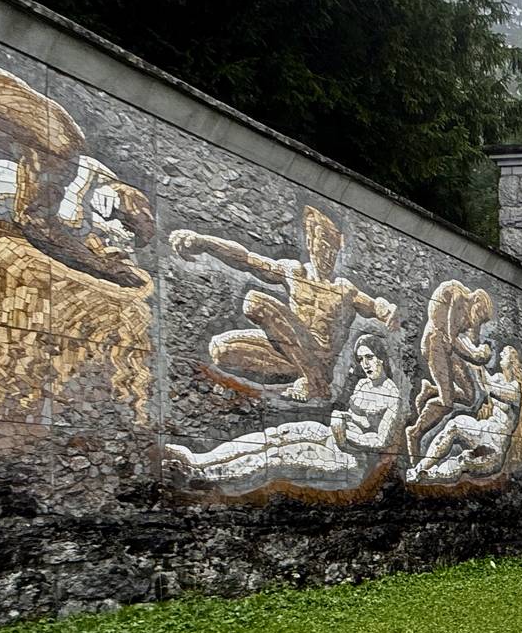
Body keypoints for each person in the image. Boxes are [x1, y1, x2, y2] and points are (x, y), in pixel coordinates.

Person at [168, 206, 398, 403]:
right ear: (310, 243)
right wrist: (204, 242)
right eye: (323, 246)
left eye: (332, 250)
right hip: (288, 354)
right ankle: (312, 379)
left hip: (320, 357)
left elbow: (375, 306)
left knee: (255, 302)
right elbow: (247, 260)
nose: (327, 255)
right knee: (220, 349)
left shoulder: (343, 289)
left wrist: (387, 311)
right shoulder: (294, 272)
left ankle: (315, 380)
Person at [166, 335, 402, 491]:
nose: (365, 364)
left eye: (369, 358)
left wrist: (347, 438)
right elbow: (352, 414)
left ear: (381, 358)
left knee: (278, 457)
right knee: (275, 435)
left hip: (352, 458)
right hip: (332, 434)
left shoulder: (393, 395)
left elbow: (381, 440)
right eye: (361, 359)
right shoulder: (362, 385)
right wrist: (342, 420)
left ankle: (206, 476)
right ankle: (201, 460)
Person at [409, 347, 522, 484]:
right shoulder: (499, 378)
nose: (500, 354)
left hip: (494, 445)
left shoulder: (515, 388)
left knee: (464, 460)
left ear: (512, 361)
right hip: (484, 429)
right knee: (454, 425)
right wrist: (473, 358)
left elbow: (493, 389)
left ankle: (428, 476)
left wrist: (478, 362)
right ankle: (421, 467)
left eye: (504, 354)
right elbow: (484, 383)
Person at [407, 280, 495, 458]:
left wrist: (479, 352)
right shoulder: (457, 296)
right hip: (435, 344)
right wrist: (475, 355)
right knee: (447, 403)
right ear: (476, 301)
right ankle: (415, 433)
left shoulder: (466, 307)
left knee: (470, 396)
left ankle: (431, 390)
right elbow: (451, 339)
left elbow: (464, 339)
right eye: (479, 316)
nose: (475, 323)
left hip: (447, 348)